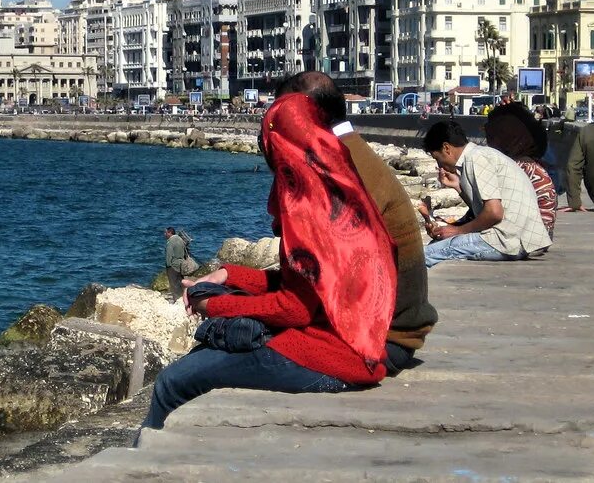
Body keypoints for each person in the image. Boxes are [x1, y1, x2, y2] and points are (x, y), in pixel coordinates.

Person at [139, 93, 396, 431]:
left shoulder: (307, 208)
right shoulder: (340, 189)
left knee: (173, 382)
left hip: (333, 356)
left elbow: (296, 309)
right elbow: (311, 287)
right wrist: (228, 274)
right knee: (205, 357)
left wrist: (214, 306)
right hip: (359, 346)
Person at [276, 71, 438, 375]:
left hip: (381, 342)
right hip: (391, 332)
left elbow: (313, 288)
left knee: (227, 352)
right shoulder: (352, 151)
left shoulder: (341, 167)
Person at [421, 120, 551, 268]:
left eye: (437, 158)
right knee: (437, 244)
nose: (439, 165)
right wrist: (458, 186)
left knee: (425, 255)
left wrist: (457, 231)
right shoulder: (482, 154)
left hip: (507, 240)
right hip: (521, 237)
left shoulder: (476, 159)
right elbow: (485, 210)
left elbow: (494, 213)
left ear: (446, 148)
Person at [484, 102, 557, 237]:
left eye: (491, 133)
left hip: (526, 238)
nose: (488, 140)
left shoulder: (519, 169)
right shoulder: (533, 163)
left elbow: (493, 214)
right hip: (538, 234)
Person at [163, 227, 187, 301]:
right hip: (181, 264)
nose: (164, 234)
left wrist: (167, 265)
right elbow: (185, 253)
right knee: (180, 282)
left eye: (166, 232)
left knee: (173, 283)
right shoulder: (180, 239)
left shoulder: (170, 241)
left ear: (170, 233)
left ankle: (176, 299)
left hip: (173, 265)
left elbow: (169, 255)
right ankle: (183, 298)